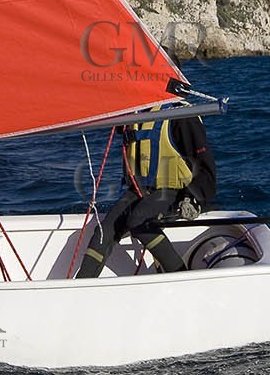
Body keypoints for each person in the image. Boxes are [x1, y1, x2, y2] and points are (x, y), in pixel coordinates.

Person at [75, 106, 216, 278]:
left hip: (176, 192)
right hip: (141, 190)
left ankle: (181, 276)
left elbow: (205, 168)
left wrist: (193, 198)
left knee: (138, 218)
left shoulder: (181, 116)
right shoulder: (134, 115)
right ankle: (81, 284)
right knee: (104, 230)